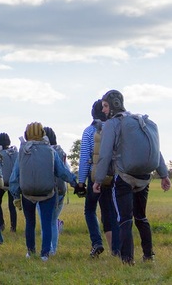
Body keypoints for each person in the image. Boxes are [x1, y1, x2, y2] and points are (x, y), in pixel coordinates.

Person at [93, 90, 171, 265]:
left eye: (105, 106)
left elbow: (104, 155)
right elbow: (155, 150)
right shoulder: (139, 122)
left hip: (124, 177)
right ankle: (148, 255)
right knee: (141, 217)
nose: (103, 110)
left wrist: (98, 180)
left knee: (125, 219)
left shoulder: (112, 124)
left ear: (113, 105)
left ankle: (127, 259)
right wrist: (164, 175)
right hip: (144, 177)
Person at [10, 122, 77, 261]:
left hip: (27, 194)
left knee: (30, 223)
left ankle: (30, 251)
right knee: (47, 223)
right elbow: (62, 172)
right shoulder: (50, 151)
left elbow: (14, 177)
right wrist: (76, 182)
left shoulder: (22, 151)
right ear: (42, 134)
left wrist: (16, 195)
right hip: (47, 193)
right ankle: (45, 254)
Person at [75, 99, 120, 258]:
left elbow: (84, 158)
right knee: (110, 213)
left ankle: (97, 243)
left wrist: (81, 182)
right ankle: (115, 250)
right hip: (111, 176)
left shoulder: (89, 131)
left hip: (94, 176)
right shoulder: (113, 127)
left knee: (89, 210)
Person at [43, 126, 68, 256]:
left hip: (45, 191)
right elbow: (66, 170)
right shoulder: (60, 152)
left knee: (45, 222)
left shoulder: (42, 152)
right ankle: (53, 249)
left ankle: (48, 249)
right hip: (60, 191)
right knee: (53, 220)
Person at [0, 133, 18, 233]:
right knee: (12, 205)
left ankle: (1, 224)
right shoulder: (15, 153)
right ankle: (13, 227)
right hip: (13, 183)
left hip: (2, 183)